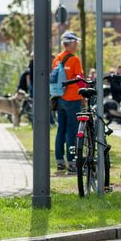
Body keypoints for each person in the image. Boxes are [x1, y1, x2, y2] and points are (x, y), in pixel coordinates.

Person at [52, 31, 84, 173]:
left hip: (60, 98)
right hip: (73, 99)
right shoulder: (75, 60)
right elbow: (80, 79)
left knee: (61, 130)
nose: (77, 44)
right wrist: (85, 95)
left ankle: (60, 161)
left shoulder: (57, 59)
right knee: (72, 131)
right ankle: (72, 163)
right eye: (75, 42)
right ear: (70, 43)